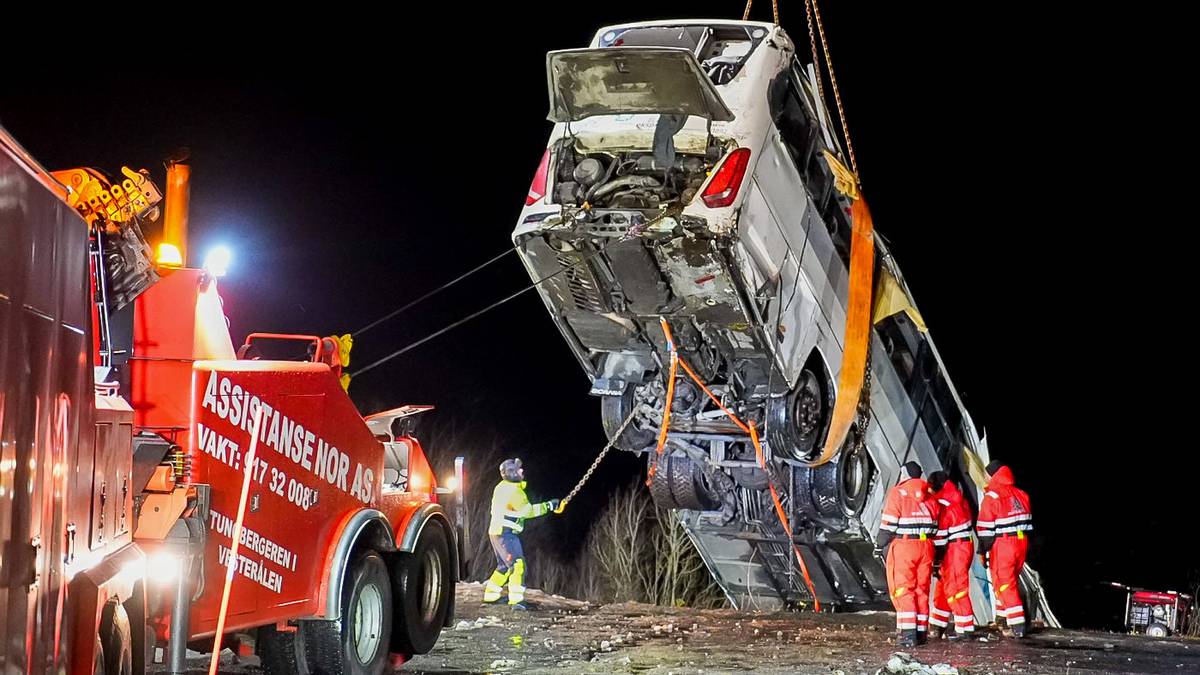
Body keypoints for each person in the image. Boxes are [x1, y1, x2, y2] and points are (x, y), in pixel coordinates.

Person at [877, 461, 939, 647]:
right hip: (926, 545)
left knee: (904, 588)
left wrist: (879, 545)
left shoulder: (898, 492)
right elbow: (935, 526)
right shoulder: (930, 495)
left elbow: (888, 525)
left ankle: (908, 634)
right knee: (922, 589)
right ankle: (921, 632)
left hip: (905, 545)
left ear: (904, 474)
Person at [483, 458, 559, 608]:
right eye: (518, 469)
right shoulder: (514, 491)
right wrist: (549, 506)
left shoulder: (502, 487)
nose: (522, 471)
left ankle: (491, 595)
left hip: (496, 532)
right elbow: (527, 511)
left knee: (504, 566)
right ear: (512, 473)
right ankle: (517, 601)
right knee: (517, 565)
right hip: (506, 534)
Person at [976, 460, 1033, 637]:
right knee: (1008, 581)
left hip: (1004, 544)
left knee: (1004, 582)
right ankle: (1002, 618)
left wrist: (981, 551)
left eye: (986, 474)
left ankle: (1017, 625)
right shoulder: (1021, 494)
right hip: (1021, 542)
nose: (984, 477)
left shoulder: (992, 497)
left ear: (993, 475)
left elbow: (985, 530)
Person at [927, 470, 975, 640]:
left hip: (954, 549)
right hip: (964, 545)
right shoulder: (959, 498)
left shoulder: (941, 503)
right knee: (944, 584)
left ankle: (964, 629)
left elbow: (940, 538)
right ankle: (938, 624)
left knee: (956, 587)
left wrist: (936, 562)